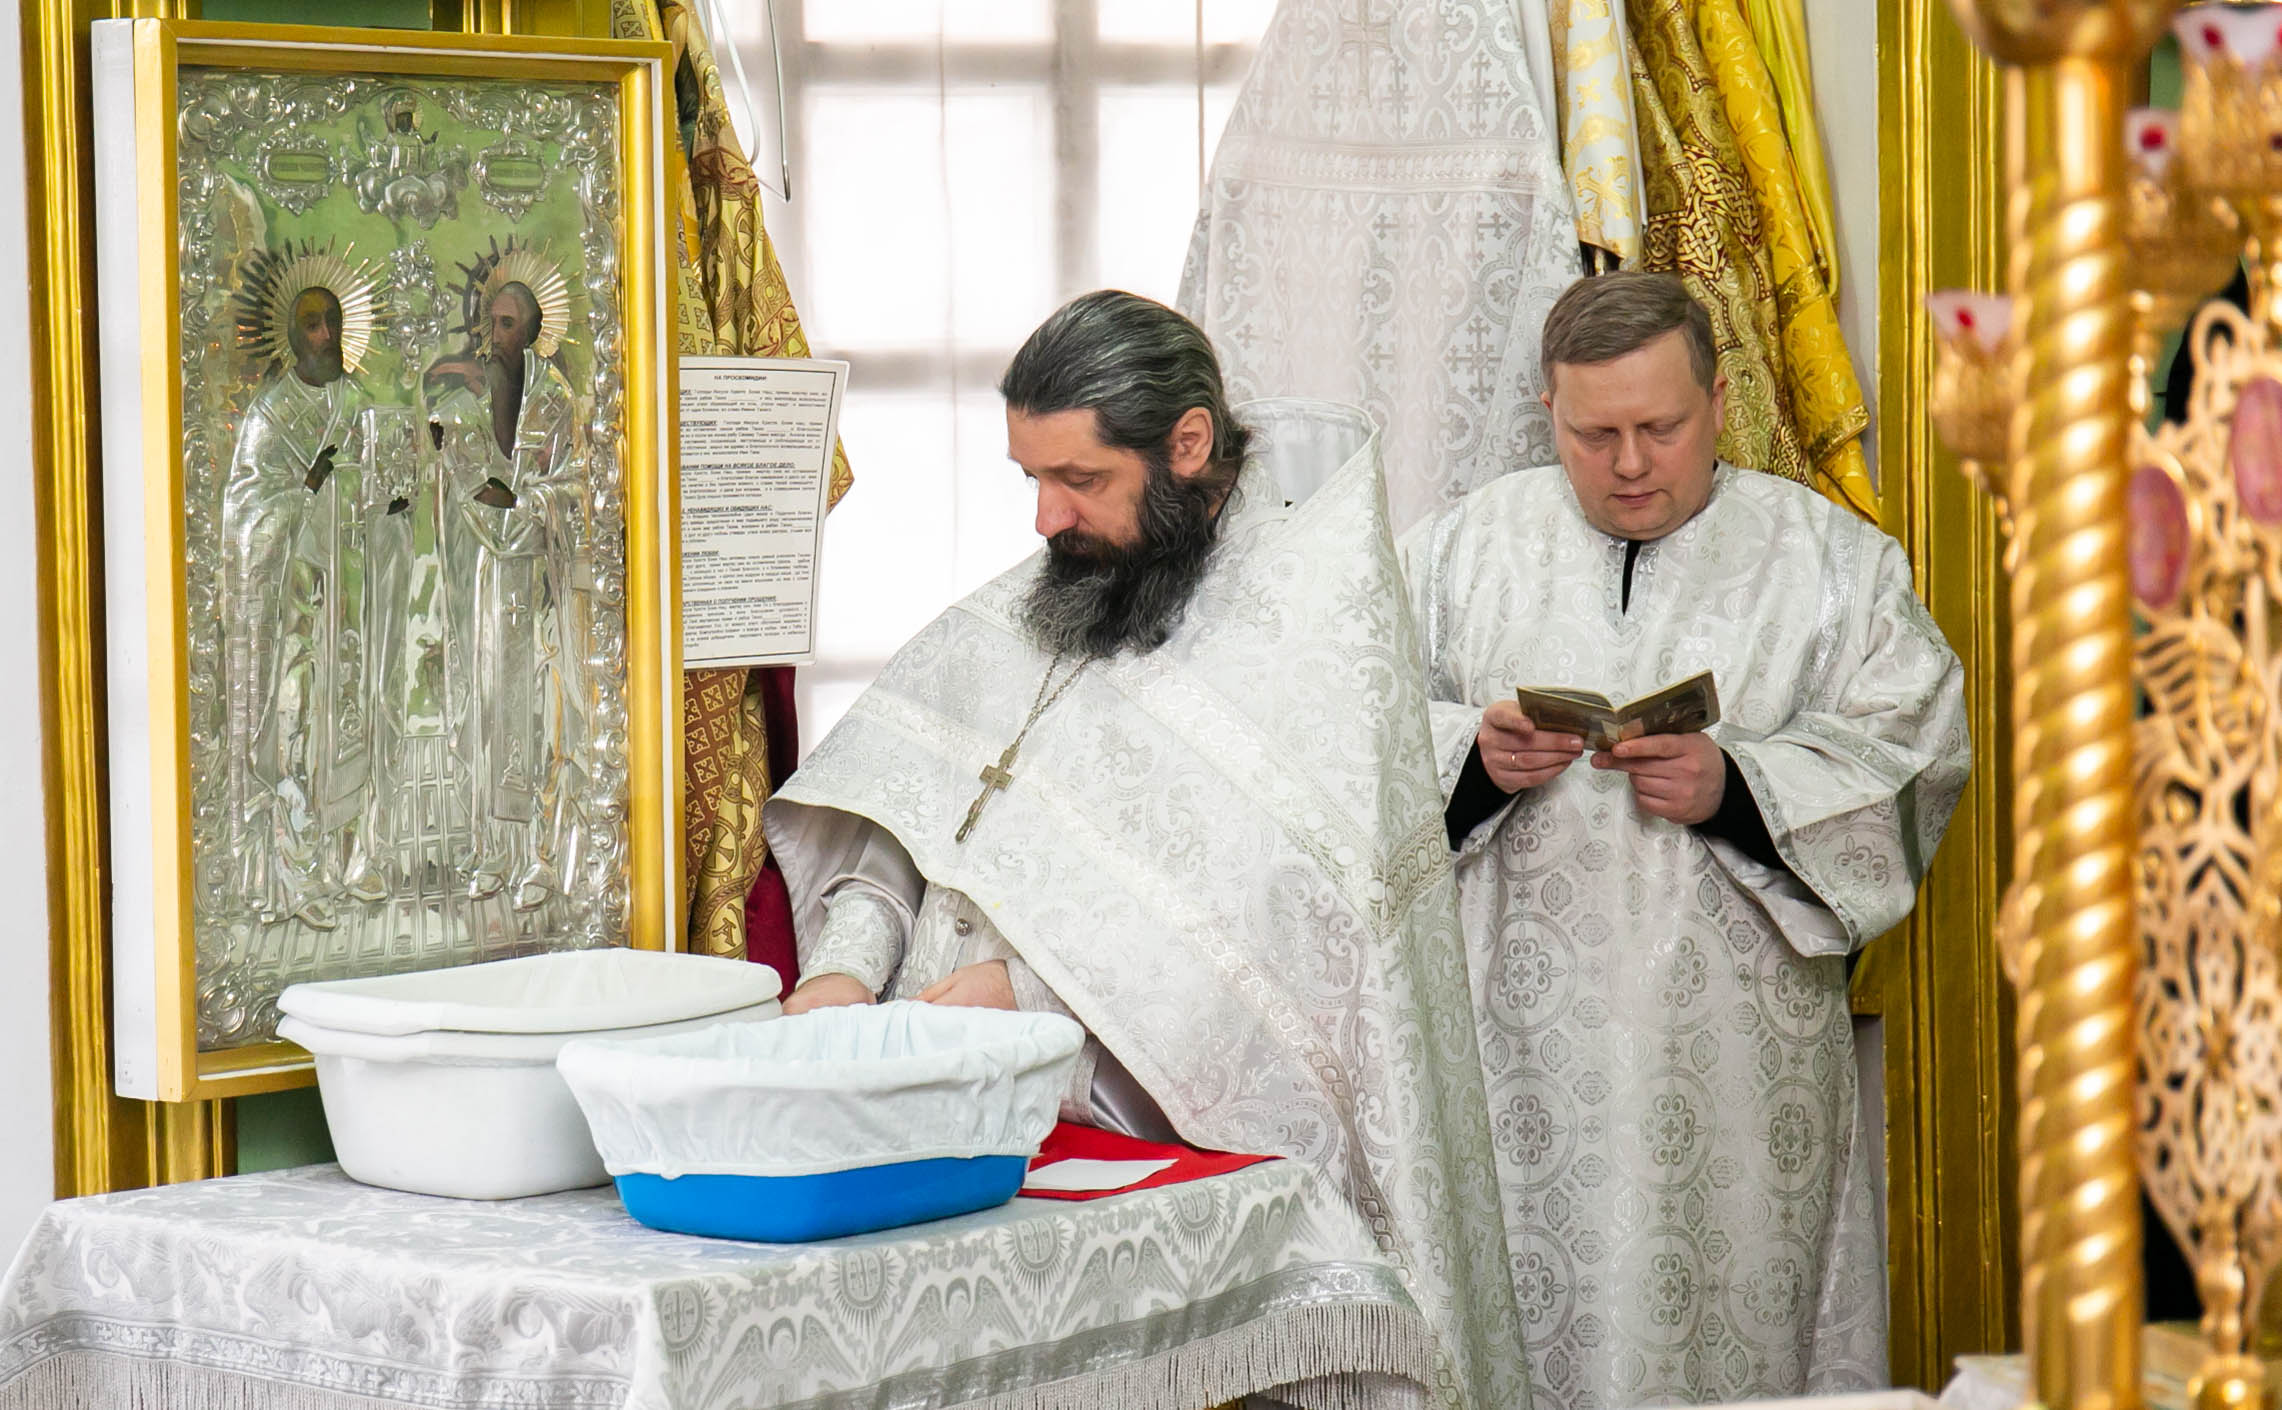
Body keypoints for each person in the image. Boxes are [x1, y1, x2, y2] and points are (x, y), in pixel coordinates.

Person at [764, 291, 1530, 1410]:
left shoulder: (1300, 640)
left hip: (1146, 1153)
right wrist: (844, 968)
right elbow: (912, 816)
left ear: (1188, 444)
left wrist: (1029, 996)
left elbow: (1287, 928)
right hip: (943, 1130)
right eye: (1031, 478)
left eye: (1079, 479)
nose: (1045, 518)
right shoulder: (1058, 592)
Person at [1402, 271, 1971, 1406]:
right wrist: (1469, 762)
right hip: (1509, 1060)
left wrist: (1737, 784)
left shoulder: (1832, 567)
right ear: (1547, 412)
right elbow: (1339, 742)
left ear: (1716, 401)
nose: (1628, 464)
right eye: (1592, 434)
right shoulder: (1454, 553)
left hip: (1733, 1076)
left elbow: (1917, 753)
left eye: (1660, 428)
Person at [223, 272, 386, 929]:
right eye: (313, 325)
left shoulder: (360, 407)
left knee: (353, 724)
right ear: (290, 336)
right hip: (295, 612)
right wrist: (305, 493)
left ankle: (353, 859)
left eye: (333, 323)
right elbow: (246, 513)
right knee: (295, 733)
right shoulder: (270, 415)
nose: (326, 336)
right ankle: (298, 875)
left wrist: (387, 501)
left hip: (351, 603)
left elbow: (387, 495)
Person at [424, 261, 586, 909]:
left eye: (508, 324)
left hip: (541, 582)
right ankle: (492, 851)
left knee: (541, 717)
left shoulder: (556, 402)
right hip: (488, 579)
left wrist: (524, 504)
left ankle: (540, 856)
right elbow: (460, 477)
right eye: (491, 322)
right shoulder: (469, 400)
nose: (494, 335)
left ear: (533, 331)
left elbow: (574, 487)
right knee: (489, 709)